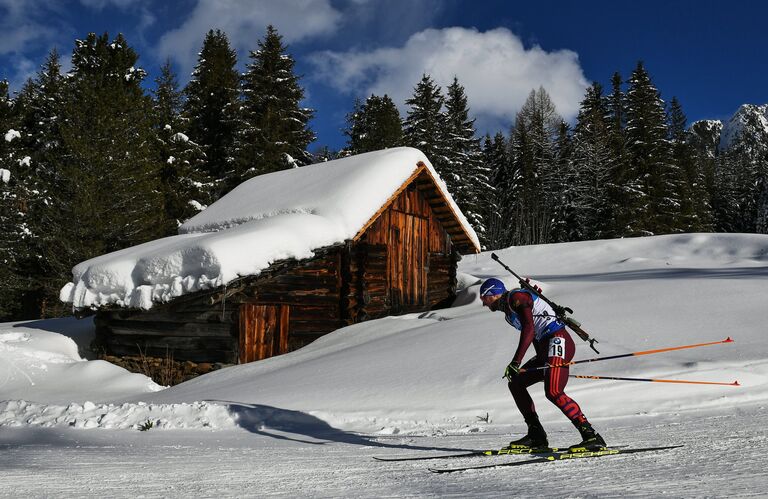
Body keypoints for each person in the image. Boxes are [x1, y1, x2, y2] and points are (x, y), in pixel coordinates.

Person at [479, 277, 606, 451]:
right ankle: (536, 435)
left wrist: (516, 361)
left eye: (484, 298)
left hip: (558, 339)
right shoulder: (509, 314)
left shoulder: (516, 297)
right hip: (546, 347)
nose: (484, 304)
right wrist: (538, 360)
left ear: (493, 294)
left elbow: (529, 329)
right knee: (516, 382)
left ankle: (591, 435)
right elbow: (535, 334)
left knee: (553, 391)